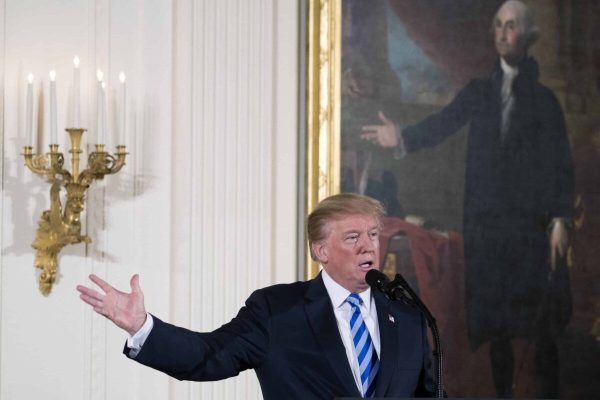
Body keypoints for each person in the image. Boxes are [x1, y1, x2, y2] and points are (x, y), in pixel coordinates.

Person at [361, 1, 574, 398]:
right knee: (497, 330)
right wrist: (401, 137)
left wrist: (561, 219)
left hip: (530, 231)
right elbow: (443, 124)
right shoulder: (480, 92)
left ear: (527, 36)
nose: (502, 32)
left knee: (540, 330)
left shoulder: (545, 102)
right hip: (490, 231)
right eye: (498, 25)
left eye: (511, 26)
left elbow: (561, 163)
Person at [77, 193, 435, 399]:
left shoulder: (405, 316)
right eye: (353, 237)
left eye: (372, 234)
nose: (368, 246)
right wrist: (142, 327)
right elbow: (207, 356)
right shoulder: (277, 311)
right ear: (321, 250)